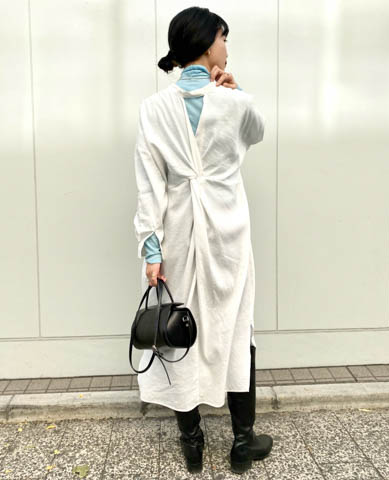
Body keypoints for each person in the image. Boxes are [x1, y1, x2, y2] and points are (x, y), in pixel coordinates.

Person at [133, 6, 273, 474]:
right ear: (209, 42)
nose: (226, 48)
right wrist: (236, 90)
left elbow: (149, 184)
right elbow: (257, 132)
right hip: (228, 232)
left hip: (176, 233)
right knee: (236, 326)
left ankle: (191, 441)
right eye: (224, 38)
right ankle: (243, 441)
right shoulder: (237, 103)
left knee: (179, 328)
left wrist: (152, 250)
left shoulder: (153, 109)